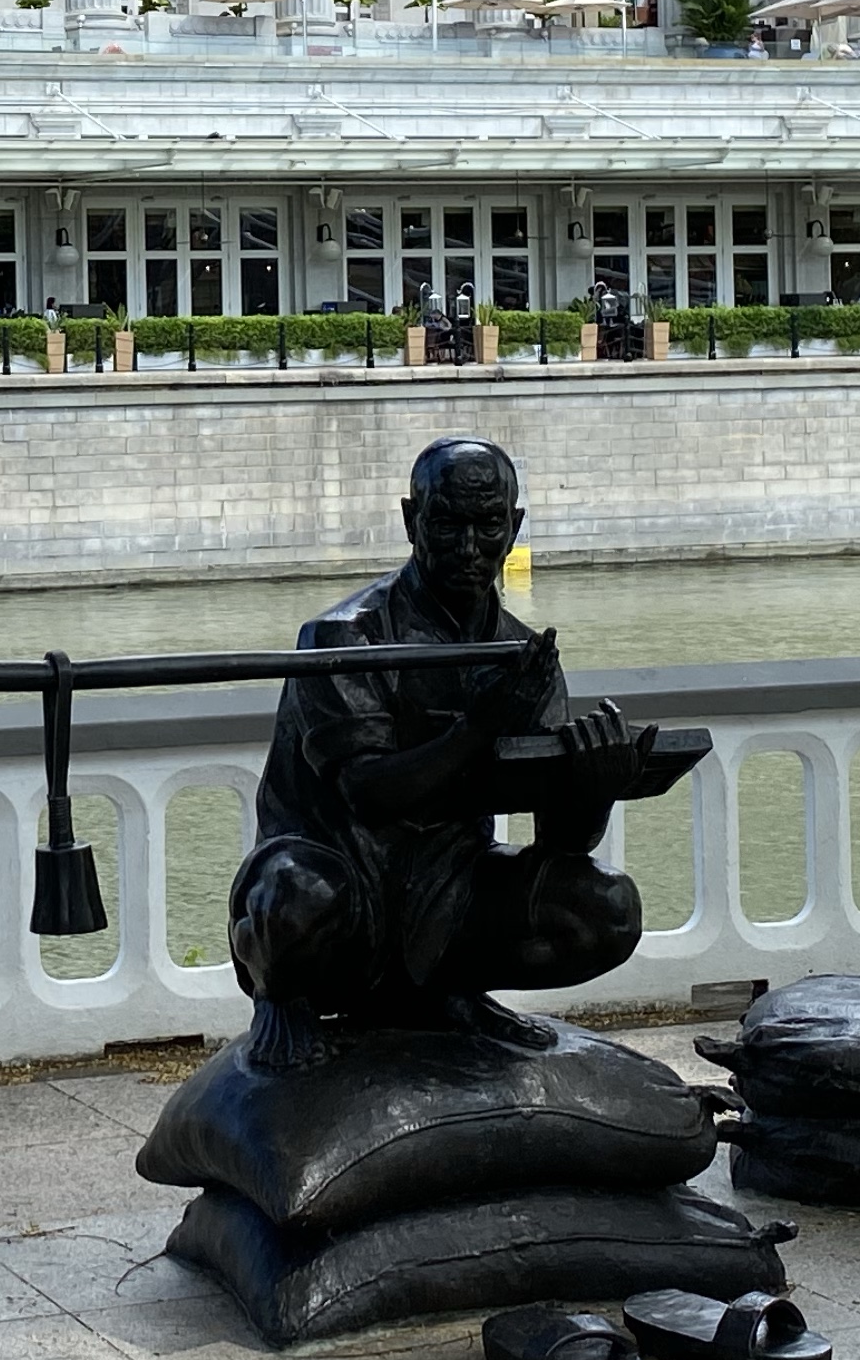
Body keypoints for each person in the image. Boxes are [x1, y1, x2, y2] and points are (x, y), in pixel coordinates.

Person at [232, 436, 643, 1068]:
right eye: (448, 524)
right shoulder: (344, 637)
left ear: (515, 527)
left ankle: (447, 994)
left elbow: (563, 843)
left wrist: (594, 788)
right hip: (340, 880)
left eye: (489, 525)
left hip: (450, 889)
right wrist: (478, 729)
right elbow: (369, 794)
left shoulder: (521, 655)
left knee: (607, 909)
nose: (470, 548)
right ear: (411, 520)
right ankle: (283, 1005)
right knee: (297, 893)